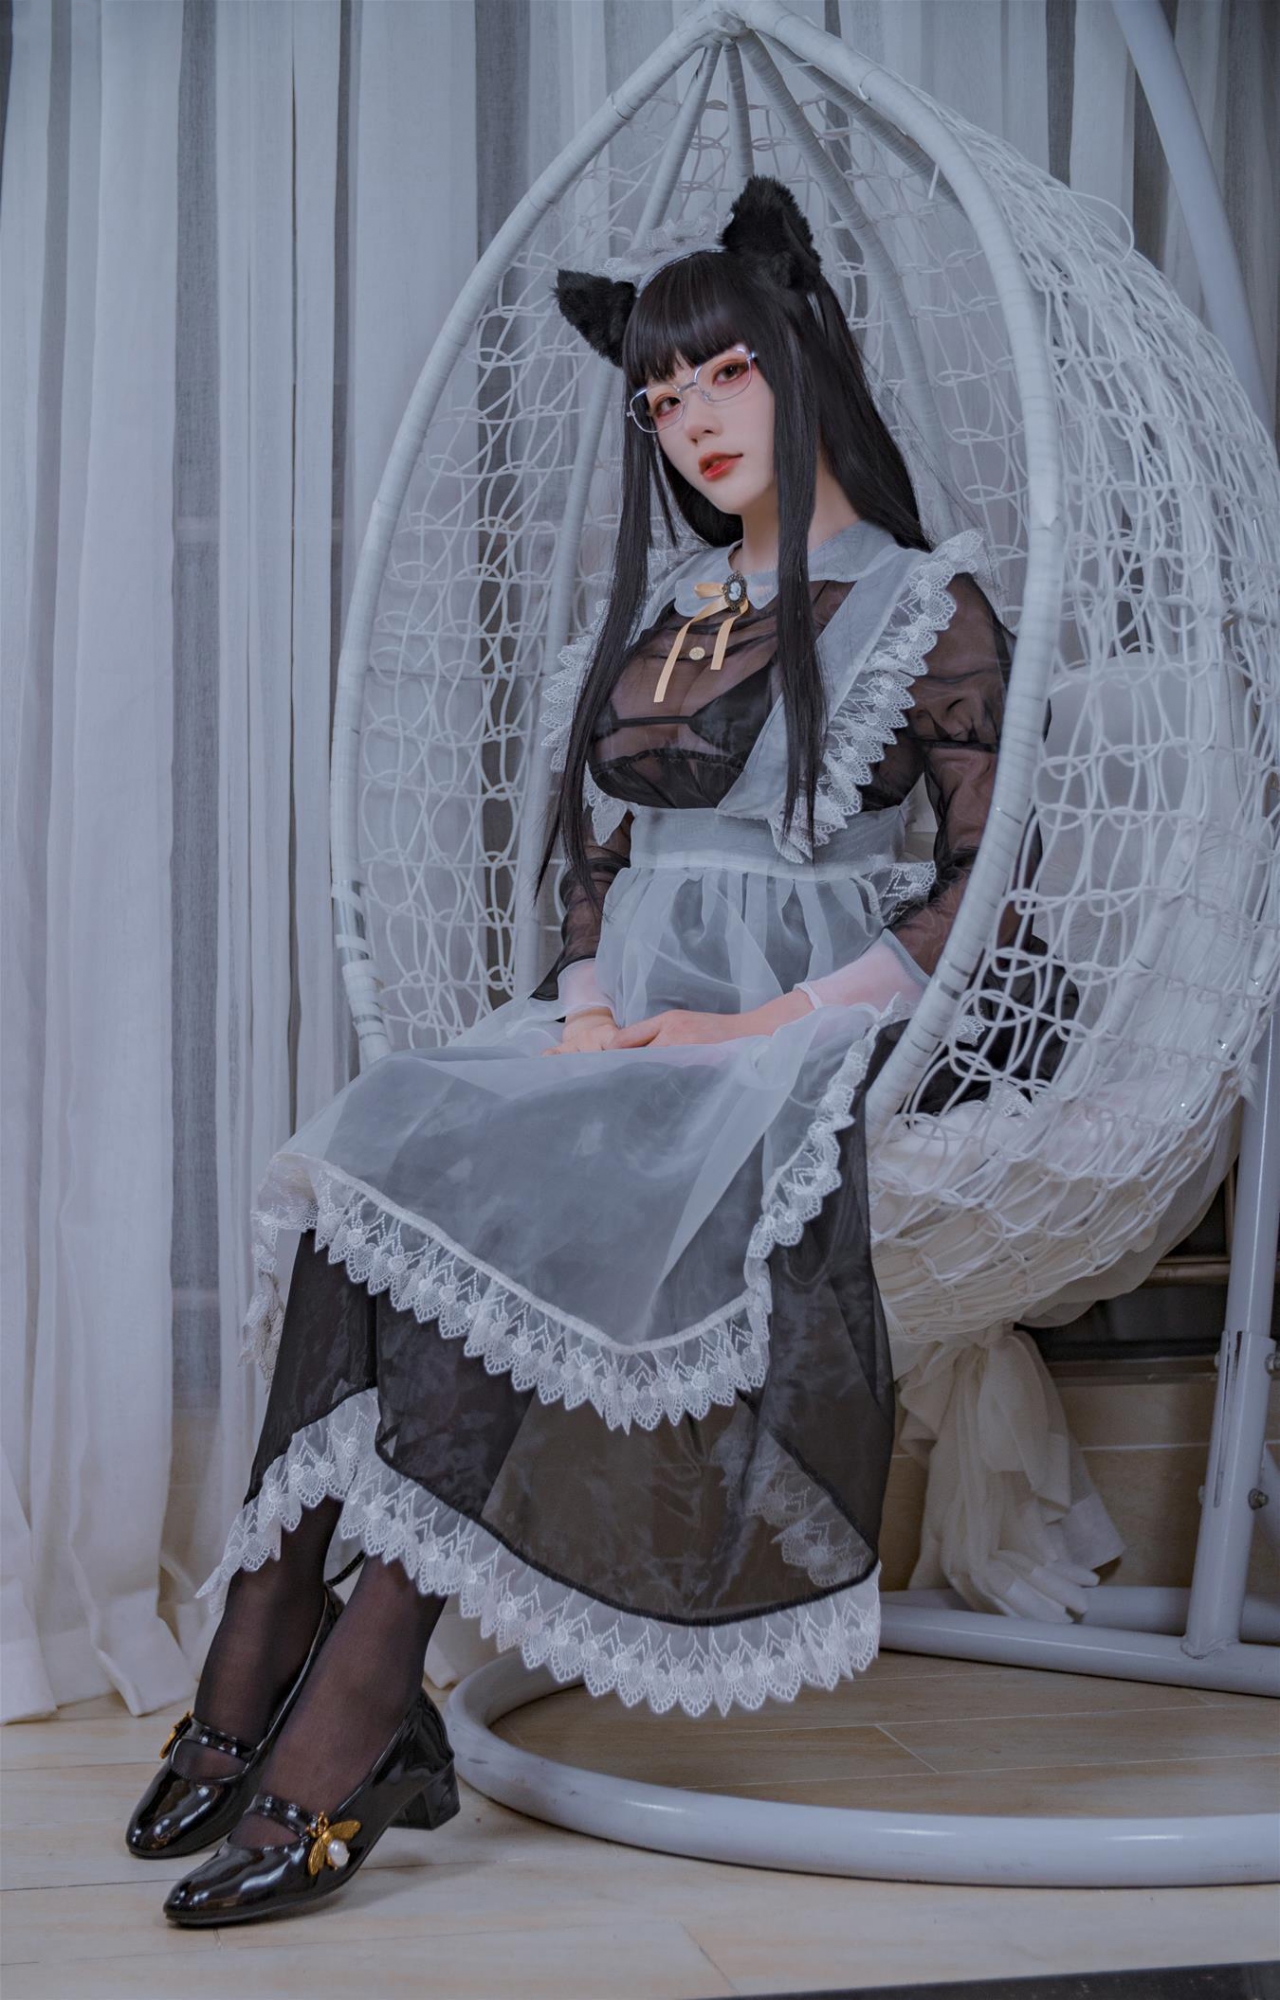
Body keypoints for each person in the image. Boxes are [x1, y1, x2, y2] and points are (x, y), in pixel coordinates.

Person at [126, 175, 1013, 1928]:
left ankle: (346, 1699)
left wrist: (754, 1024)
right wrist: (593, 1004)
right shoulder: (672, 605)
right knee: (375, 1159)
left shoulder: (929, 607)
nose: (694, 422)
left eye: (724, 375)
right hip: (625, 1015)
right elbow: (597, 865)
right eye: (662, 398)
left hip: (788, 1034)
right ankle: (274, 1624)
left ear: (804, 361)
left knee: (531, 1190)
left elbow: (981, 895)